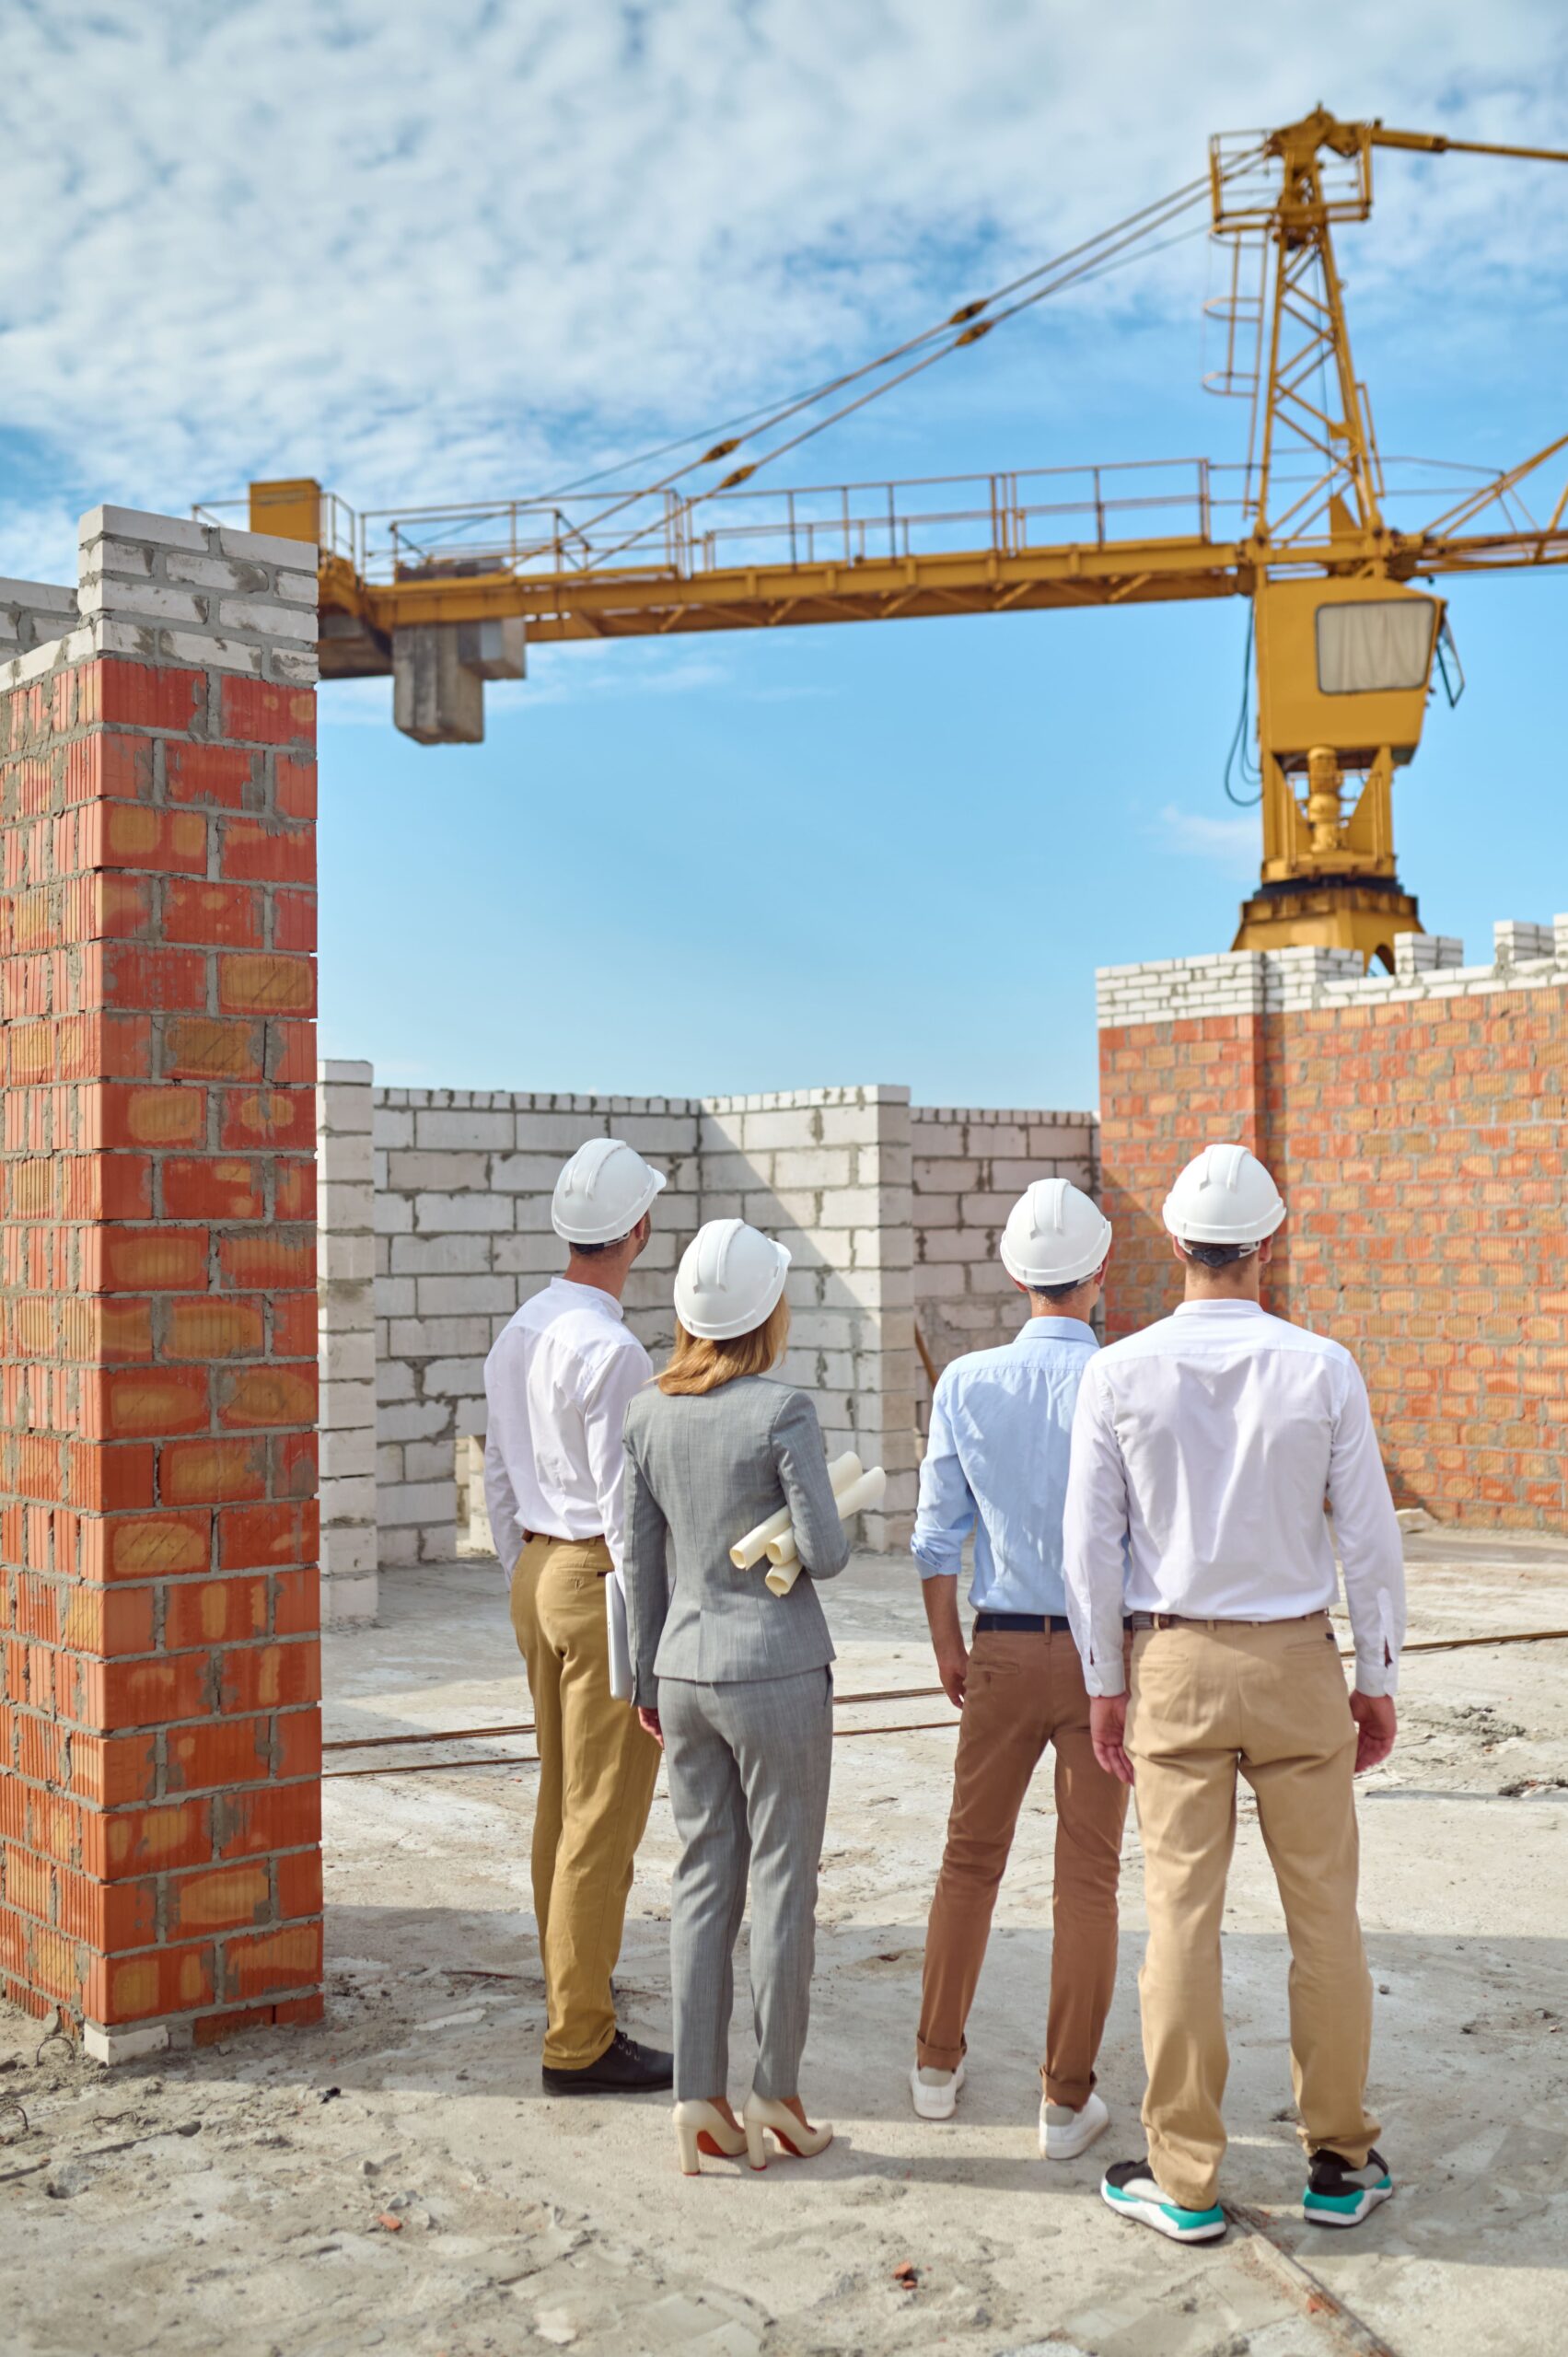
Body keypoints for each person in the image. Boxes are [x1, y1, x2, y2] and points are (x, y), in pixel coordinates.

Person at [1063, 1141, 1405, 2245]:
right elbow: (1367, 1537)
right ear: (1271, 1240)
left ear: (1172, 1244)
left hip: (1170, 1663)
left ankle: (1187, 2176)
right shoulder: (1321, 1366)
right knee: (1324, 1922)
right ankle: (1339, 2162)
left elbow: (1088, 1548)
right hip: (1298, 1659)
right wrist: (1377, 1675)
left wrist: (1104, 1682)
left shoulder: (1115, 1371)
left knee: (1180, 1922)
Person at [621, 1218, 849, 2176]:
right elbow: (826, 1553)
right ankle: (777, 2094)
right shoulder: (779, 1410)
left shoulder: (644, 1413)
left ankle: (697, 2102)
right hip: (775, 1671)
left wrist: (641, 1677)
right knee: (783, 1880)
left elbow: (639, 1562)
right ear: (768, 1310)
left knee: (701, 1880)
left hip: (679, 1672)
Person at [909, 1178, 1127, 2162]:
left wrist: (947, 1643)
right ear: (1098, 1269)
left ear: (1010, 1271)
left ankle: (934, 2067)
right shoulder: (1125, 1378)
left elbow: (933, 1537)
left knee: (968, 1860)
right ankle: (1062, 2100)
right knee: (1086, 1879)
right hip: (1099, 1660)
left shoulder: (963, 1381)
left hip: (995, 1642)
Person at [483, 1137, 672, 2096]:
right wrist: (653, 1641)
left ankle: (574, 1989)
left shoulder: (519, 1328)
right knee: (602, 1818)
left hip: (538, 1569)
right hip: (597, 1579)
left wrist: (524, 1569)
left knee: (562, 1800)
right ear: (635, 1228)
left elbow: (493, 1472)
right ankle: (580, 2037)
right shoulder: (615, 1349)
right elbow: (626, 1507)